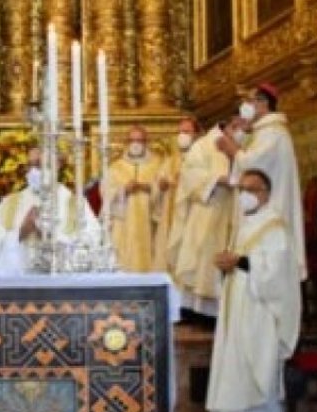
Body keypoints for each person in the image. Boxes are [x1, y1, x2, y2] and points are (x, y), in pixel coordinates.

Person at [206, 169, 301, 412]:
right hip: (237, 303)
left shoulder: (274, 226)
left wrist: (241, 262)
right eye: (242, 189)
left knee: (257, 360)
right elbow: (238, 261)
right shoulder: (242, 225)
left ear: (266, 194)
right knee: (233, 361)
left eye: (253, 189)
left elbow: (278, 272)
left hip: (260, 307)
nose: (246, 195)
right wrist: (224, 266)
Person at [221, 82, 305, 279]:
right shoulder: (262, 131)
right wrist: (240, 133)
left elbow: (252, 164)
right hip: (262, 208)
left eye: (249, 100)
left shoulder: (274, 132)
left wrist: (232, 148)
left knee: (266, 268)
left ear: (263, 102)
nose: (245, 106)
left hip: (272, 208)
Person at [0, 146, 100, 275]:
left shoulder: (76, 205)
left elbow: (91, 246)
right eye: (30, 166)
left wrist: (49, 236)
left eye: (39, 165)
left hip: (61, 288)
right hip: (21, 288)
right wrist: (20, 233)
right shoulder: (9, 204)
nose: (33, 171)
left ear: (57, 165)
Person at [169, 118, 245, 318]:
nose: (239, 131)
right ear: (226, 125)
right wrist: (218, 180)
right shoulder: (203, 145)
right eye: (235, 127)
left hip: (236, 209)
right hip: (208, 209)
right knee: (203, 263)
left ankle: (226, 309)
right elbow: (190, 175)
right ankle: (201, 310)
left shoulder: (246, 144)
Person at [102, 125, 164, 273]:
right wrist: (124, 190)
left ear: (146, 142)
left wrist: (149, 188)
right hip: (123, 226)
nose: (136, 144)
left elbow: (166, 192)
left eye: (140, 140)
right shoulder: (115, 167)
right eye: (132, 140)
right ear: (126, 143)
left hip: (149, 225)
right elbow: (105, 194)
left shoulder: (158, 165)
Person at [151, 117, 200, 272]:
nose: (182, 135)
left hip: (192, 217)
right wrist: (161, 186)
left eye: (186, 131)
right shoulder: (170, 161)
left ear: (196, 134)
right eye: (179, 132)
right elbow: (156, 188)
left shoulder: (202, 159)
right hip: (170, 219)